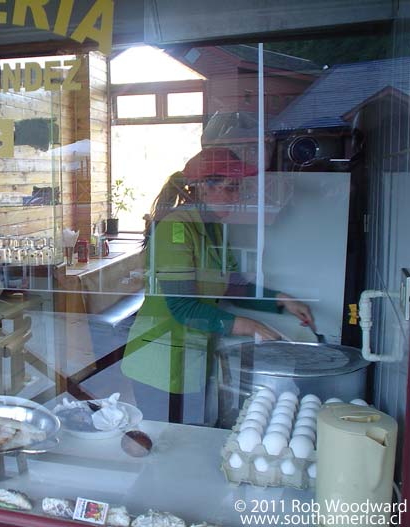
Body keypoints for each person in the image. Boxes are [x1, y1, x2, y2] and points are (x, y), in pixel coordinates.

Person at [121, 148, 315, 424]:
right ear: (202, 188)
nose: (236, 198)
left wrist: (282, 300)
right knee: (166, 442)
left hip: (191, 356)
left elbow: (232, 287)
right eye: (230, 189)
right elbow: (183, 307)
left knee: (187, 435)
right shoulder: (175, 229)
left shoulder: (214, 229)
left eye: (237, 189)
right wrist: (251, 326)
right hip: (158, 360)